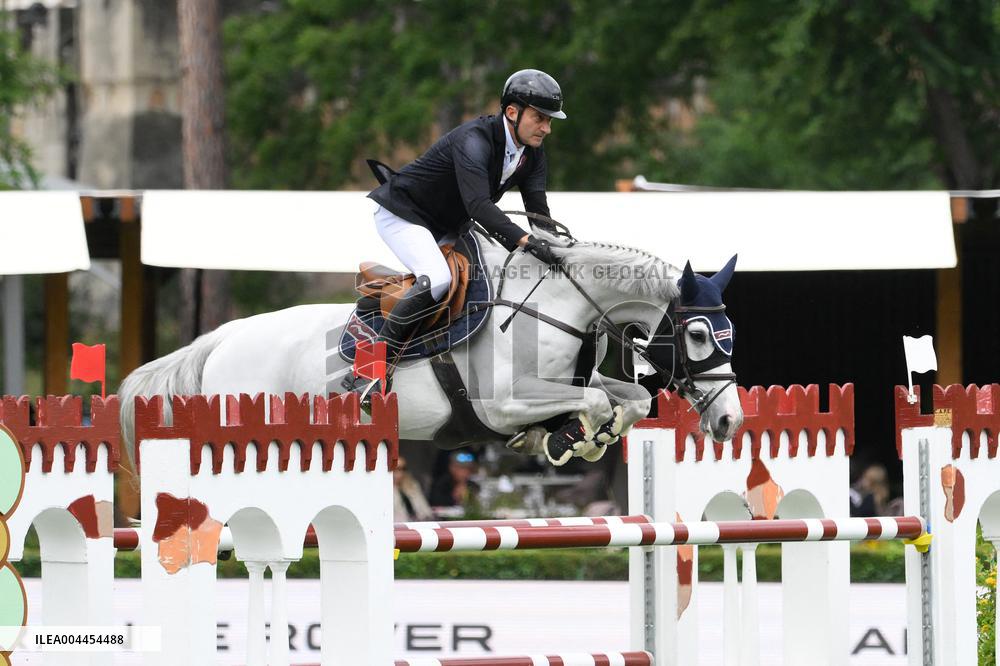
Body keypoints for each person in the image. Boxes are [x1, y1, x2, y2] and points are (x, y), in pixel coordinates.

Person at [341, 69, 567, 398]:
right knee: (438, 278)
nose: (546, 128)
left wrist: (558, 248)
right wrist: (526, 242)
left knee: (488, 274)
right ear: (512, 112)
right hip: (404, 214)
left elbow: (538, 213)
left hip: (448, 224)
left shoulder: (532, 154)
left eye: (550, 121)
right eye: (540, 118)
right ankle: (369, 370)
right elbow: (478, 205)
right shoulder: (473, 139)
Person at [393, 456, 435, 522]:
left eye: (402, 469)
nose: (398, 472)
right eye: (394, 469)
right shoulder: (383, 489)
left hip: (416, 526)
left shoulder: (411, 485)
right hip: (397, 528)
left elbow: (425, 511)